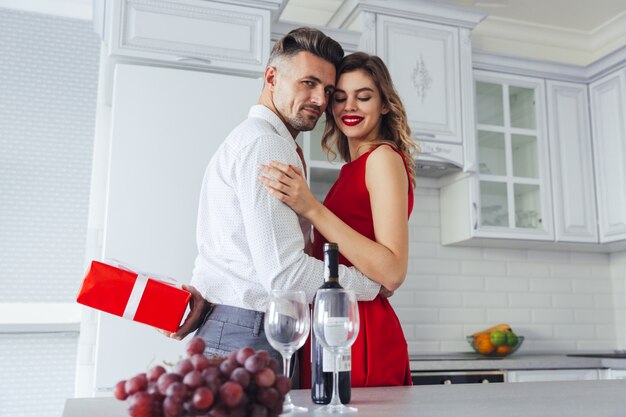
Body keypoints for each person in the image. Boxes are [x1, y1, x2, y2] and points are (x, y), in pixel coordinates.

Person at [164, 29, 389, 373]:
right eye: (308, 83)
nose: (320, 100)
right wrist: (370, 285)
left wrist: (204, 289)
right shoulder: (267, 145)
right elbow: (286, 275)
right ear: (272, 77)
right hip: (250, 333)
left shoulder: (249, 138)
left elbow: (227, 242)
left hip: (234, 326)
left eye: (327, 90)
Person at [259, 52, 417, 387]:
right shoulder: (352, 169)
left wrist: (312, 207)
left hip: (361, 328)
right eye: (340, 98)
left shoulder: (382, 159)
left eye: (364, 97)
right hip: (334, 321)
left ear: (385, 104)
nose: (350, 108)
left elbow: (392, 271)